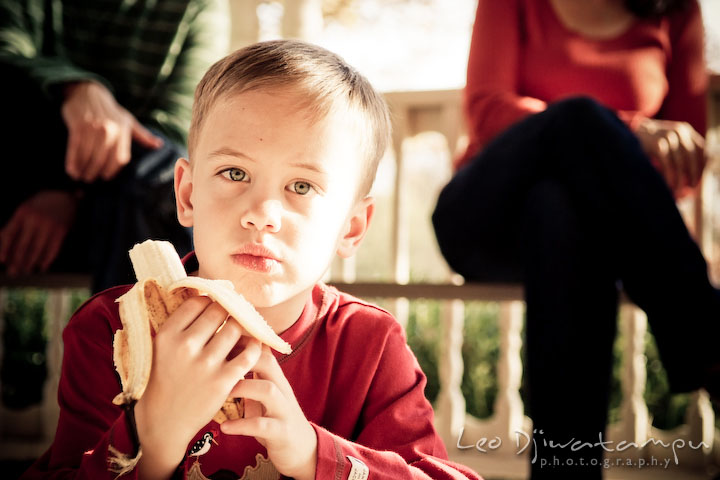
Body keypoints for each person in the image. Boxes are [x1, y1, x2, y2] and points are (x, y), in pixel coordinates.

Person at [20, 39, 483, 480]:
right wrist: (153, 438)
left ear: (352, 227)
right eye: (234, 172)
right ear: (187, 194)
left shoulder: (370, 346)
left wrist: (313, 454)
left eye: (301, 186)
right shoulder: (108, 330)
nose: (262, 214)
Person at [432, 0, 720, 478]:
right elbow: (486, 111)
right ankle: (708, 334)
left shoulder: (675, 11)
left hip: (586, 233)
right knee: (577, 119)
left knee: (561, 214)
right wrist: (628, 130)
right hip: (484, 218)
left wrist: (605, 164)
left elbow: (684, 164)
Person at [0, 0, 230, 293]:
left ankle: (144, 332)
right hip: (22, 170)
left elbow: (182, 126)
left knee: (166, 177)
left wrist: (73, 191)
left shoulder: (195, 6)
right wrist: (78, 89)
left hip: (122, 189)